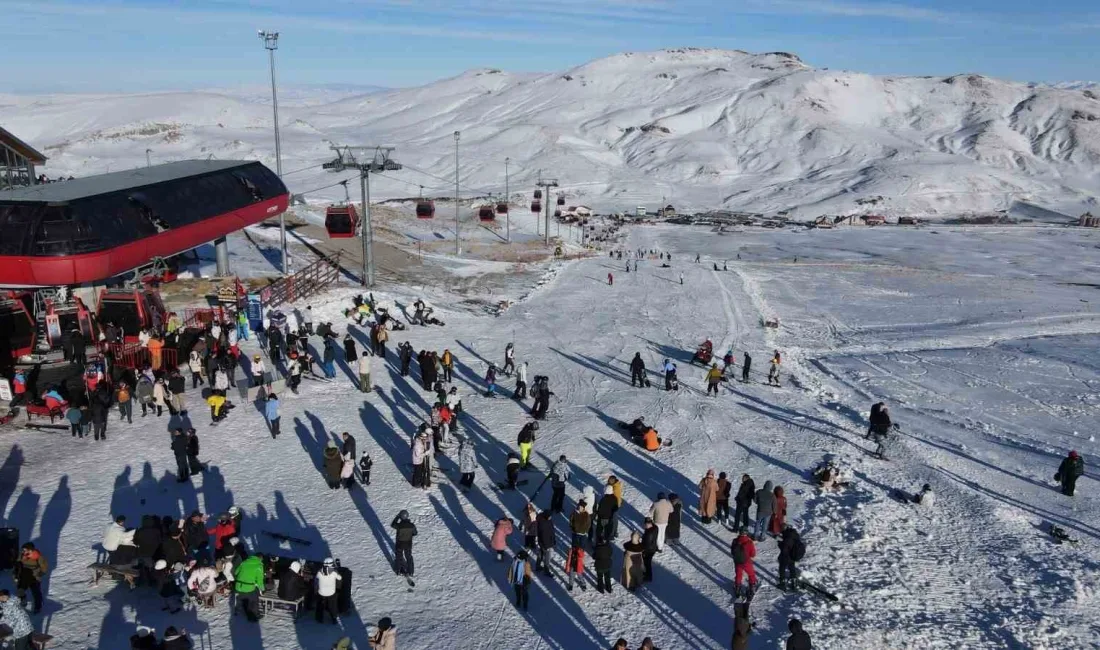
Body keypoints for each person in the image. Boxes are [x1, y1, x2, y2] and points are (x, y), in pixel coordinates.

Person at [14, 543, 47, 613]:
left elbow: (44, 567)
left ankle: (38, 607)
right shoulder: (22, 555)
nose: (23, 551)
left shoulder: (38, 557)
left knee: (36, 592)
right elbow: (18, 564)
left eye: (25, 550)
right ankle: (23, 600)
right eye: (23, 549)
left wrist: (39, 574)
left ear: (30, 550)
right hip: (24, 575)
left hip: (33, 577)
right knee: (20, 588)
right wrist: (16, 574)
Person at [232, 553, 264, 622]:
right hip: (248, 588)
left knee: (246, 594)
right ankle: (254, 616)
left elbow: (236, 572)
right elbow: (260, 581)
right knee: (254, 598)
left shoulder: (244, 562)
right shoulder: (259, 566)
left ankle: (241, 607)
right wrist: (262, 589)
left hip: (238, 586)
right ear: (260, 559)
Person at [315, 558, 342, 624]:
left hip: (321, 593)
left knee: (320, 605)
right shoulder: (334, 573)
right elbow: (340, 578)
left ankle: (319, 618)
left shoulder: (319, 572)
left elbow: (316, 579)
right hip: (331, 593)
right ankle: (334, 618)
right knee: (333, 605)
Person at [731, 529, 757, 598]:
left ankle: (737, 589)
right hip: (746, 562)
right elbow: (753, 554)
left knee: (738, 575)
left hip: (737, 562)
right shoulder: (749, 542)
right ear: (746, 533)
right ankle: (752, 588)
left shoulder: (735, 541)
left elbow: (732, 552)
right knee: (751, 574)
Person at [777, 526, 805, 591]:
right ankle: (794, 584)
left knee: (782, 569)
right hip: (793, 556)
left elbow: (784, 550)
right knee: (792, 569)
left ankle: (782, 584)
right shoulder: (795, 536)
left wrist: (780, 544)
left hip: (786, 557)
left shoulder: (788, 539)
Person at [392, 510, 417, 580]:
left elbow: (393, 524)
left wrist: (397, 517)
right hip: (408, 544)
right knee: (409, 557)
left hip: (400, 544)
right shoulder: (412, 525)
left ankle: (398, 570)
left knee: (399, 557)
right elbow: (415, 533)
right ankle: (411, 572)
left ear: (401, 517)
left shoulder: (399, 526)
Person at [535, 510, 555, 576]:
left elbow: (551, 530)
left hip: (542, 542)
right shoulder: (544, 524)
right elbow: (544, 536)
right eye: (549, 516)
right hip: (546, 544)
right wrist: (547, 546)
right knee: (547, 557)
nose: (551, 517)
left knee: (541, 553)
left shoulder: (544, 520)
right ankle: (546, 571)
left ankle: (537, 566)